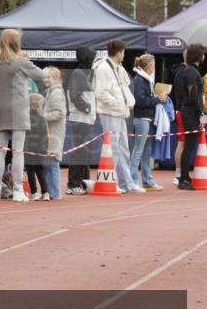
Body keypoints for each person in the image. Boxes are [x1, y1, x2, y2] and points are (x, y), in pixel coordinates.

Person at [0, 29, 45, 202]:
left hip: (0, 109)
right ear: (16, 43)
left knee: (0, 150)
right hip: (19, 110)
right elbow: (41, 75)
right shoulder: (20, 62)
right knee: (18, 151)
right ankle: (18, 190)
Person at [94, 39, 140, 193]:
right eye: (124, 52)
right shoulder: (103, 69)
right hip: (110, 112)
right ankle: (112, 182)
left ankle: (127, 183)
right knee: (112, 148)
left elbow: (124, 86)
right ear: (119, 53)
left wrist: (127, 103)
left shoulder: (118, 68)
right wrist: (118, 104)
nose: (124, 55)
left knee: (123, 148)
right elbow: (101, 93)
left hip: (119, 112)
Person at [130, 53, 166, 191]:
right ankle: (133, 180)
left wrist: (156, 97)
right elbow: (139, 101)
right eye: (154, 65)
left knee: (146, 151)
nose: (155, 68)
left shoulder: (145, 80)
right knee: (138, 151)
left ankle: (147, 180)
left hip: (147, 118)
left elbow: (144, 99)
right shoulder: (139, 80)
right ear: (149, 66)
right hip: (141, 119)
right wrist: (157, 99)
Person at [173, 44, 206, 190]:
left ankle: (183, 176)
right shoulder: (193, 73)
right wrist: (201, 114)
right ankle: (184, 178)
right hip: (191, 112)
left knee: (188, 145)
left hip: (184, 110)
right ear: (198, 56)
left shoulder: (182, 72)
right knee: (189, 145)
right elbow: (194, 95)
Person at [66, 46, 97, 195]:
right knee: (81, 152)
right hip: (81, 118)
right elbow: (75, 95)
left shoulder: (84, 73)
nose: (93, 61)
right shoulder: (79, 73)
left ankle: (84, 182)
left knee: (85, 152)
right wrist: (87, 108)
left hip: (86, 119)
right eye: (92, 58)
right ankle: (73, 183)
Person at [42, 67, 68, 200]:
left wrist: (43, 116)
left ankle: (55, 192)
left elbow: (60, 113)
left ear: (56, 78)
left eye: (48, 77)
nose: (45, 79)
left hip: (54, 132)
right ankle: (52, 191)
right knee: (49, 162)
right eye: (45, 77)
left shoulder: (56, 92)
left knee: (52, 162)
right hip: (51, 132)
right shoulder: (51, 91)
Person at [25, 92, 49, 200]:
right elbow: (46, 134)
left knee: (30, 170)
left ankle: (34, 192)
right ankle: (45, 192)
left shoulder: (25, 117)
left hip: (29, 147)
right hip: (40, 147)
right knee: (40, 170)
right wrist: (46, 148)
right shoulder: (42, 118)